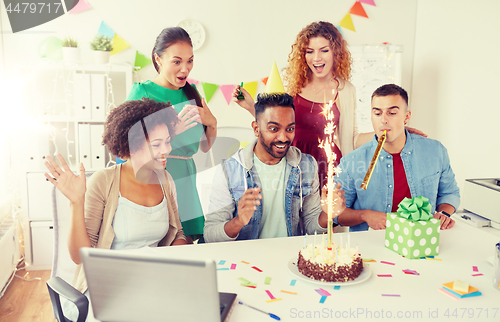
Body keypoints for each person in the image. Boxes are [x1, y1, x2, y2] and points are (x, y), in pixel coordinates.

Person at [233, 21, 424, 189]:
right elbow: (272, 123)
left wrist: (389, 132)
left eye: (324, 50)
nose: (316, 58)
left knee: (326, 223)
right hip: (290, 159)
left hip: (327, 166)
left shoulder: (346, 90)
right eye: (310, 51)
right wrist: (251, 106)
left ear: (335, 53)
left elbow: (351, 138)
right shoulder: (289, 82)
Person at [44, 98, 186, 319]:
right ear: (132, 145)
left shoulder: (165, 179)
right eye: (156, 144)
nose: (166, 149)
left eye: (167, 141)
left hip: (152, 282)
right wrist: (76, 202)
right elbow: (80, 256)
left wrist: (178, 261)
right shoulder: (104, 181)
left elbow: (177, 233)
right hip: (109, 287)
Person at [204, 93, 345, 242]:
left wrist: (328, 215)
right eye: (274, 129)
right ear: (256, 129)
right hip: (246, 260)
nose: (283, 138)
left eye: (290, 129)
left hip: (290, 257)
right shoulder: (229, 171)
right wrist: (238, 222)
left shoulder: (306, 165)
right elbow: (210, 235)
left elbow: (312, 227)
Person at [126, 27, 217, 243]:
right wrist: (169, 133)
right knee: (158, 243)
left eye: (190, 61)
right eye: (177, 61)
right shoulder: (142, 92)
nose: (185, 69)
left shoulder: (191, 93)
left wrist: (212, 123)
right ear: (158, 59)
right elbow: (125, 144)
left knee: (183, 249)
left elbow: (204, 146)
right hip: (155, 178)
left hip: (186, 179)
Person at [333, 84, 459, 231]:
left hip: (421, 242)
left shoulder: (436, 151)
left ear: (406, 117)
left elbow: (449, 193)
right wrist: (365, 215)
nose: (384, 120)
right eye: (377, 113)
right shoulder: (351, 162)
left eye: (392, 113)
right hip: (372, 246)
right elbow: (336, 214)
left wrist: (444, 213)